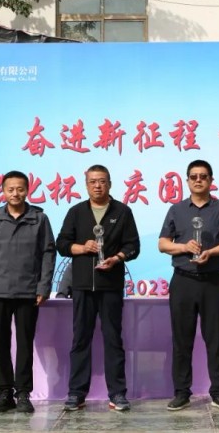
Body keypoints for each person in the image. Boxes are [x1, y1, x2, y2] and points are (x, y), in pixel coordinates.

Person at [158, 159, 219, 411]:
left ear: (211, 180)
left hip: (212, 281)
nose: (198, 180)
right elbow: (162, 244)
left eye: (203, 176)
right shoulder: (176, 210)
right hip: (183, 281)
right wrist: (184, 247)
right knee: (181, 340)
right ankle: (181, 392)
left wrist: (212, 252)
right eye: (193, 176)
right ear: (187, 180)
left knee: (215, 339)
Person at [56, 165, 140, 412]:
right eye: (92, 181)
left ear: (110, 184)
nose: (97, 186)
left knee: (113, 339)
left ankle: (118, 393)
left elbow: (133, 246)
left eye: (102, 181)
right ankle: (76, 393)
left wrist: (117, 258)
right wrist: (82, 248)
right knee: (80, 339)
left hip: (111, 286)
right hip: (82, 286)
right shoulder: (76, 212)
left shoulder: (122, 212)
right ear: (86, 185)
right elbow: (62, 244)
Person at [0, 170, 56, 414]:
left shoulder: (39, 219)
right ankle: (4, 393)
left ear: (27, 190)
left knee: (24, 344)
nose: (15, 193)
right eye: (10, 189)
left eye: (20, 189)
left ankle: (23, 394)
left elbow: (48, 254)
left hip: (28, 292)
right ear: (2, 191)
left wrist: (43, 287)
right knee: (0, 344)